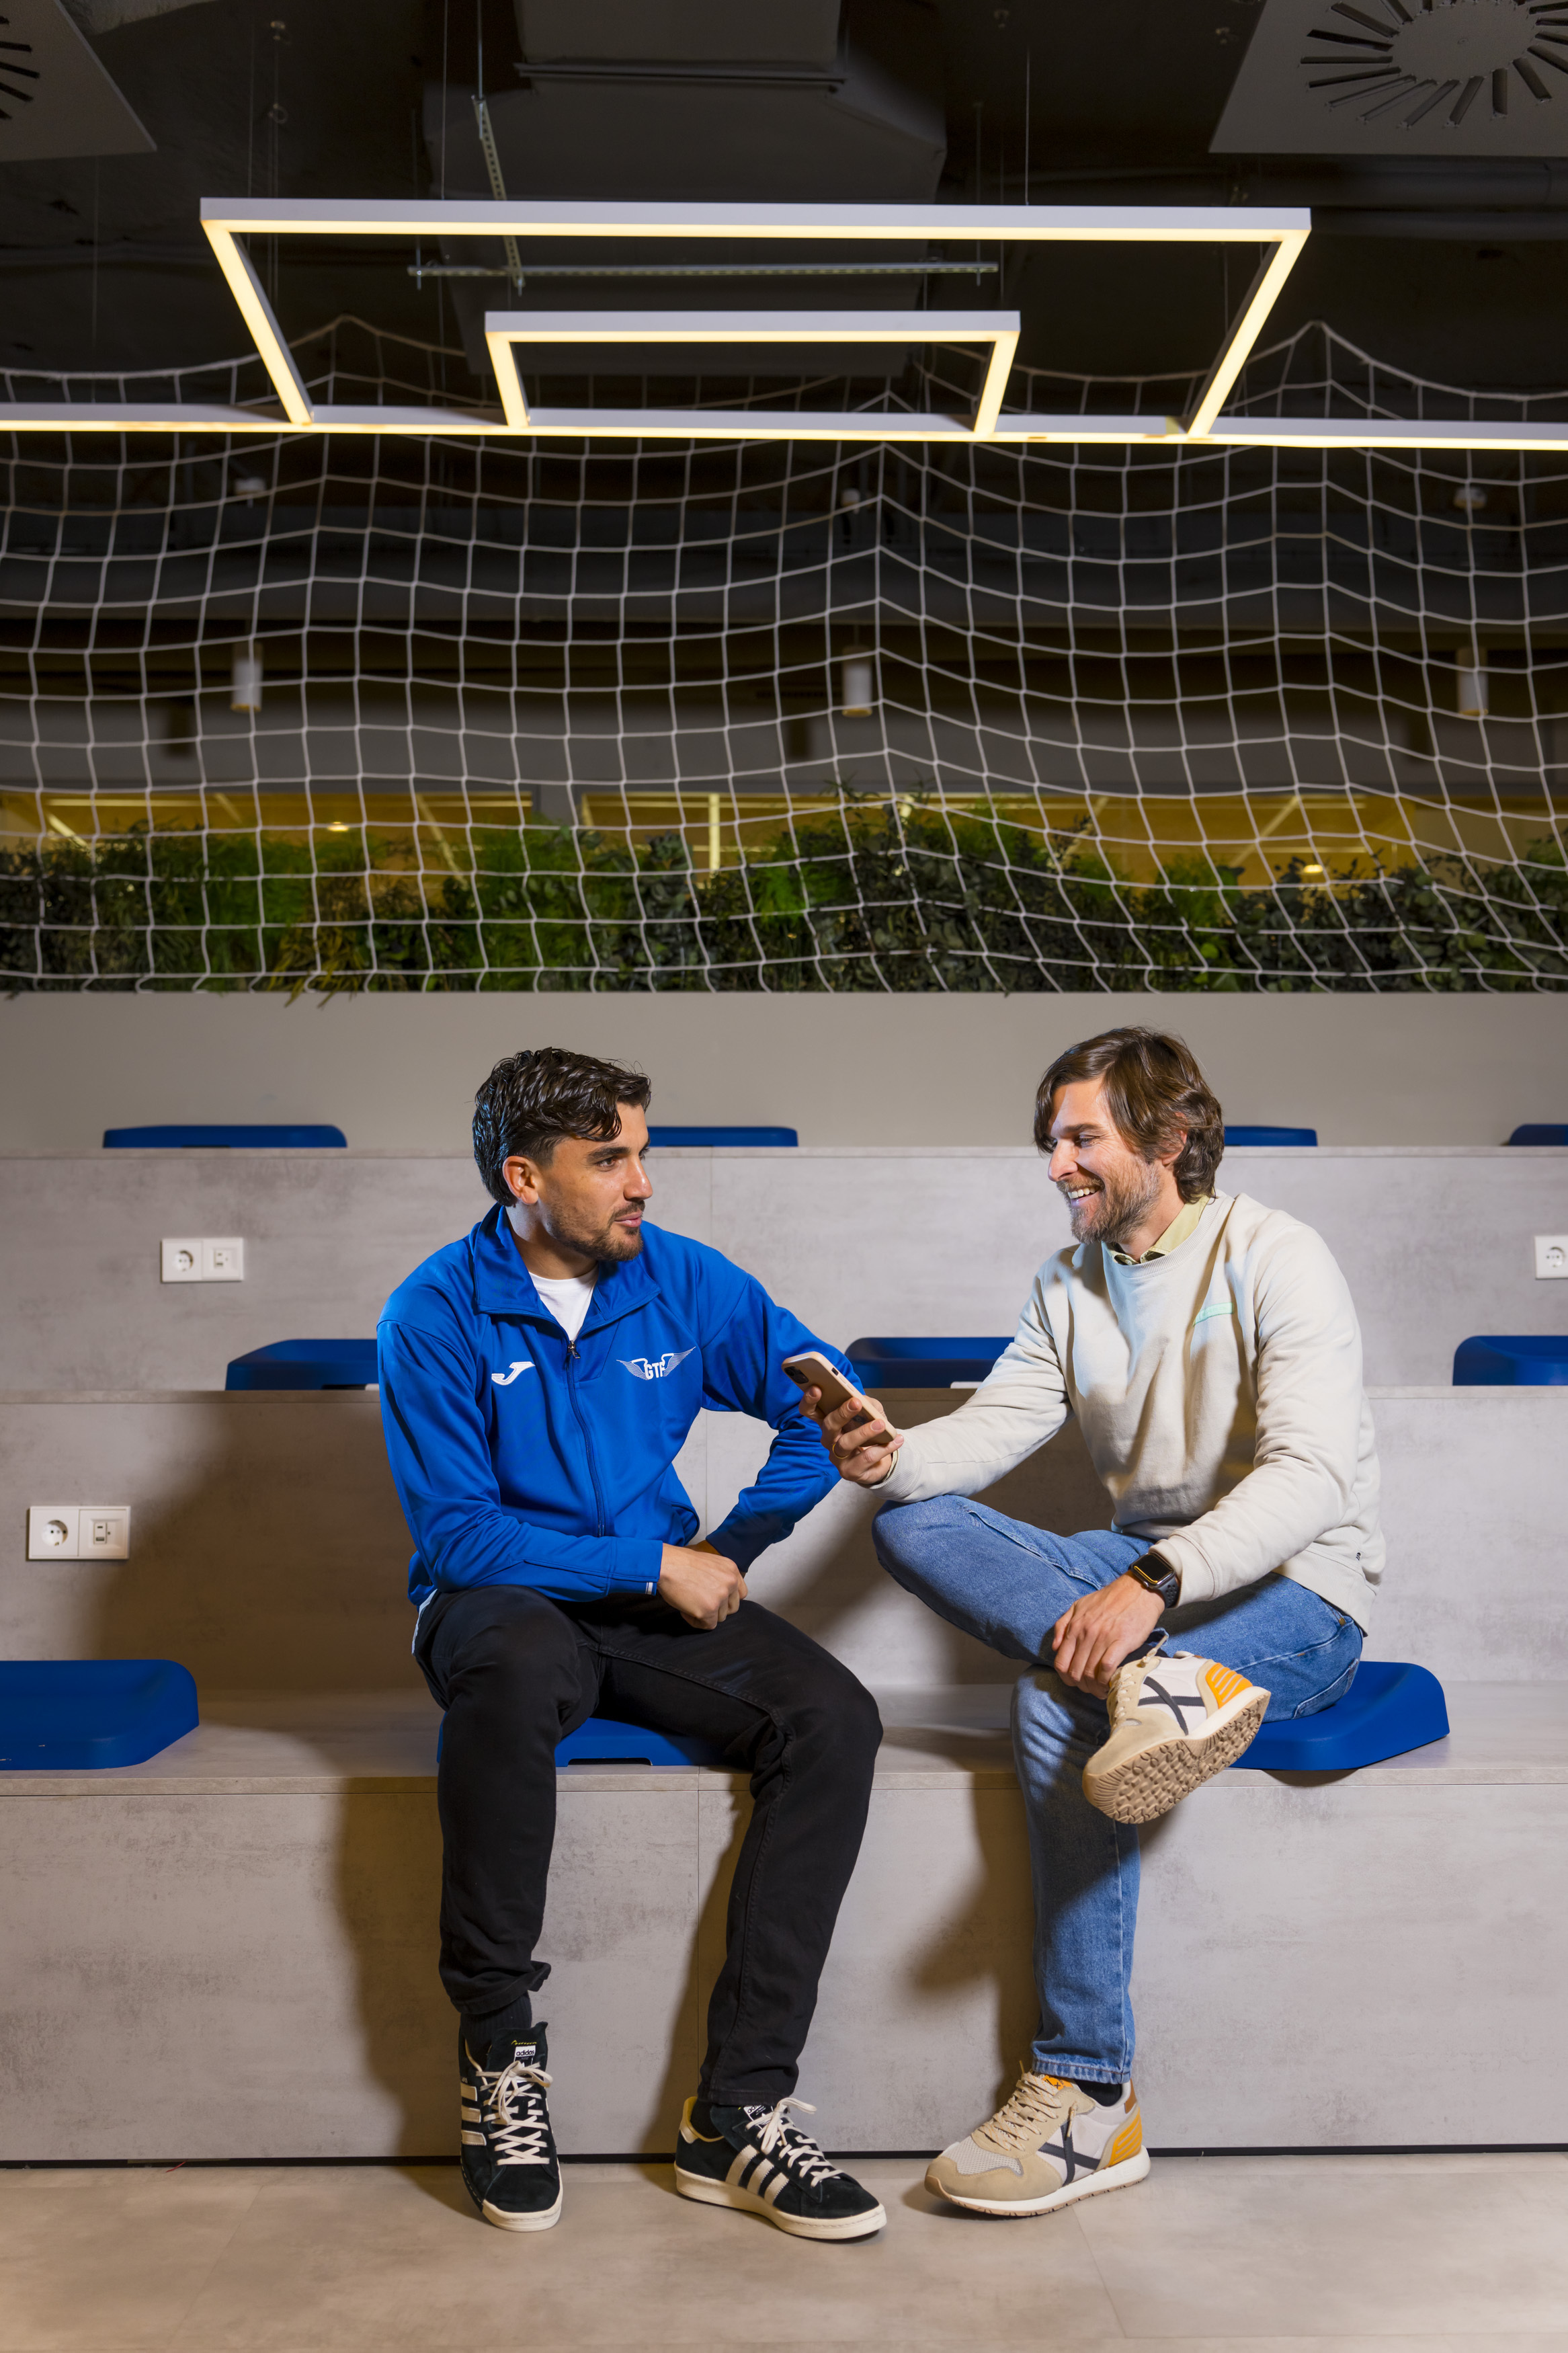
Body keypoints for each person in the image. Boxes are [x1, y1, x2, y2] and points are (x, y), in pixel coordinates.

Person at [808, 1026, 1380, 2222]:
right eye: (1050, 1140)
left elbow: (1314, 1474)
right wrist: (892, 1452)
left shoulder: (1277, 1255)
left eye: (1081, 1138)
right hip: (1149, 1567)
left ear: (1167, 1140)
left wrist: (1154, 1589)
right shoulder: (1065, 1282)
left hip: (1295, 1588)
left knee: (1048, 1691)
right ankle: (1159, 1687)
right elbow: (994, 1427)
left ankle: (1085, 2093)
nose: (1055, 1163)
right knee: (913, 1525)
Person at [378, 1047, 886, 2242]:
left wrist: (736, 1546)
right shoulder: (435, 1312)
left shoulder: (684, 1282)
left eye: (643, 1153)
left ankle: (739, 2111)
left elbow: (825, 1401)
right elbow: (459, 1535)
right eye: (609, 1159)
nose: (641, 1182)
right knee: (506, 1669)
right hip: (499, 1604)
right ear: (523, 1178)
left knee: (835, 1718)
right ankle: (500, 2054)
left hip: (646, 1605)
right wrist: (650, 1563)